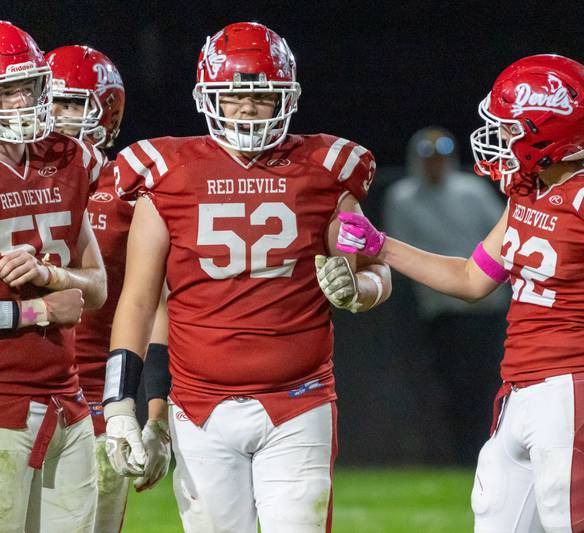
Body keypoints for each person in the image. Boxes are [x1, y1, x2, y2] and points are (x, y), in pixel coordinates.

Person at [338, 54, 584, 531]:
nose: (503, 139)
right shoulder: (527, 195)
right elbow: (472, 278)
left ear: (547, 131)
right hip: (518, 391)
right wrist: (383, 247)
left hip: (570, 391)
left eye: (512, 128)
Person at [100, 22, 391, 533]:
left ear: (287, 99)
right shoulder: (167, 172)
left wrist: (359, 290)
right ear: (208, 97)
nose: (247, 109)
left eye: (261, 96)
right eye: (233, 96)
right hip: (198, 406)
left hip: (297, 400)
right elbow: (140, 301)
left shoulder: (323, 169)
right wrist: (121, 405)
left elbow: (375, 268)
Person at [45, 44, 172, 532]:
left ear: (108, 112)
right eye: (52, 101)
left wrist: (155, 412)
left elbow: (155, 303)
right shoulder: (9, 177)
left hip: (97, 394)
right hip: (17, 385)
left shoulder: (130, 188)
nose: (60, 116)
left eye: (75, 104)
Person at [0, 21, 107, 533]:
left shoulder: (69, 159)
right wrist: (38, 308)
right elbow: (55, 304)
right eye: (6, 90)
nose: (21, 102)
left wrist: (50, 274)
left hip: (67, 401)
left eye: (28, 86)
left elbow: (97, 286)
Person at [383, 126, 507, 464]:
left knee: (488, 383)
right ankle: (455, 455)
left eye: (440, 157)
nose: (435, 164)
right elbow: (399, 252)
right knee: (448, 386)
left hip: (486, 305)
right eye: (428, 157)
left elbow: (504, 235)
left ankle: (490, 450)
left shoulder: (472, 191)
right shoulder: (403, 197)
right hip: (440, 309)